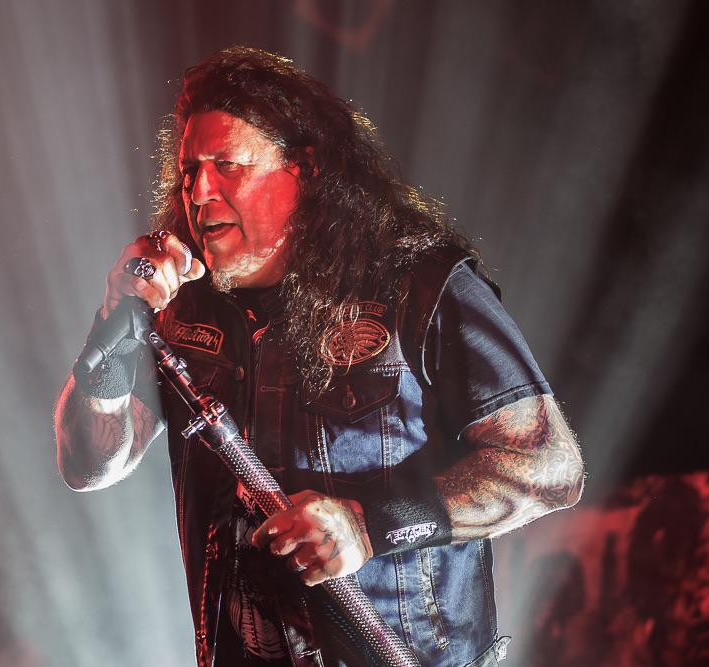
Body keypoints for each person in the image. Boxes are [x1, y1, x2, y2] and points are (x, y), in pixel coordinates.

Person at [55, 46, 584, 667]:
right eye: (189, 170)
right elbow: (89, 464)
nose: (199, 191)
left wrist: (369, 525)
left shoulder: (420, 284)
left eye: (228, 166)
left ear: (303, 170)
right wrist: (116, 321)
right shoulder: (183, 306)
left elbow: (550, 466)